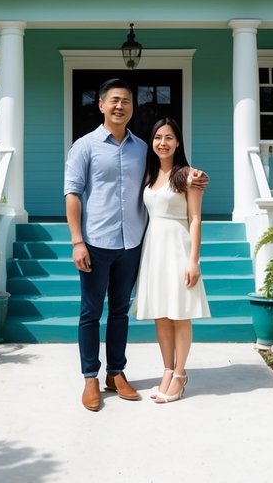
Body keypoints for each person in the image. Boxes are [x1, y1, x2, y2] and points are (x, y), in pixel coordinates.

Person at [64, 78, 205, 412]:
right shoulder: (84, 146)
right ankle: (90, 378)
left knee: (120, 312)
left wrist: (196, 176)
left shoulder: (143, 148)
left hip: (134, 245)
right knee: (90, 312)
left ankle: (116, 373)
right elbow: (72, 194)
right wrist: (76, 241)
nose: (119, 106)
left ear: (131, 107)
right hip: (96, 242)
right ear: (101, 104)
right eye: (113, 100)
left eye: (126, 101)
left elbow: (172, 174)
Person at [134, 117, 210, 403]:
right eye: (157, 138)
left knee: (180, 312)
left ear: (178, 142)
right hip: (154, 248)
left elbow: (195, 218)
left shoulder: (189, 175)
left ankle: (180, 374)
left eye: (168, 137)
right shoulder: (150, 175)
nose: (162, 143)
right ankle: (167, 370)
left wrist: (194, 261)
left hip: (178, 246)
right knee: (161, 313)